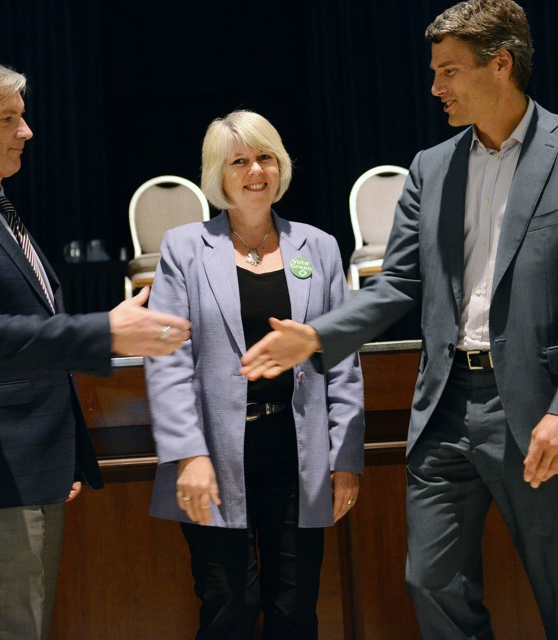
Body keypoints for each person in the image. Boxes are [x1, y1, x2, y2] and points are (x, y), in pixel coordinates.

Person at [240, 1, 558, 638]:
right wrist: (319, 335)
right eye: (434, 71)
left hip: (534, 406)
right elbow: (400, 286)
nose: (435, 87)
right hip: (444, 406)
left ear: (501, 65)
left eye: (449, 71)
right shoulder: (431, 166)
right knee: (431, 579)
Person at [0, 57, 191, 640]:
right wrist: (103, 332)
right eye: (9, 119)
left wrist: (65, 456)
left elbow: (31, 335)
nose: (26, 132)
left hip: (29, 468)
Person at [143, 110, 365, 640]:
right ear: (218, 175)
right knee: (228, 608)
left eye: (265, 156)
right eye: (238, 160)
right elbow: (167, 362)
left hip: (299, 454)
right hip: (214, 457)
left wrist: (346, 459)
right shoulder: (184, 248)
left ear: (281, 166)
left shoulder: (320, 247)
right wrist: (186, 456)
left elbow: (342, 363)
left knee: (294, 610)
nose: (255, 170)